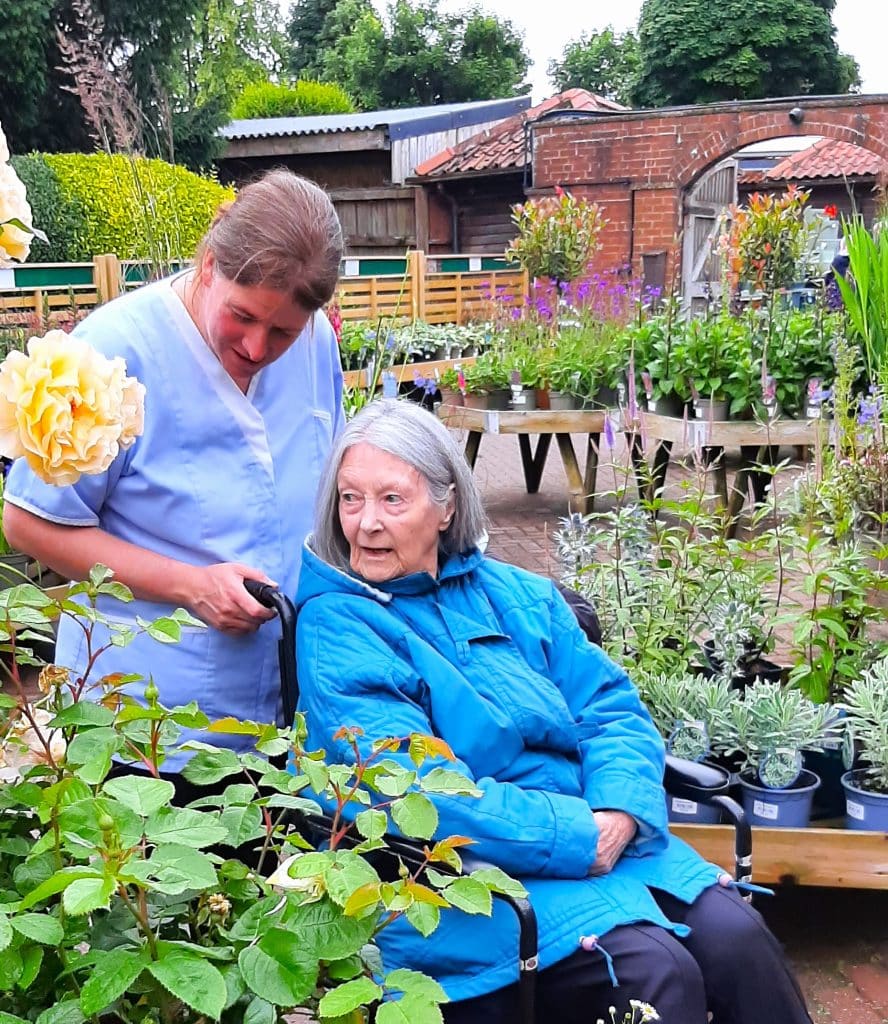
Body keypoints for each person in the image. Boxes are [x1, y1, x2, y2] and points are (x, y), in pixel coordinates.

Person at [295, 399, 813, 1024]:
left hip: (603, 845)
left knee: (740, 944)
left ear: (447, 506)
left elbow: (611, 709)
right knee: (658, 974)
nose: (366, 523)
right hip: (468, 881)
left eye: (392, 500)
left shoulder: (519, 595)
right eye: (351, 499)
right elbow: (405, 787)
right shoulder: (340, 626)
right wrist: (574, 835)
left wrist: (620, 808)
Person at [2, 169, 345, 772]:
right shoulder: (112, 351)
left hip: (291, 721)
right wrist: (192, 586)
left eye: (283, 330)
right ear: (210, 262)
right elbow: (30, 524)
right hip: (146, 731)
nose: (259, 347)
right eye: (243, 316)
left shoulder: (316, 341)